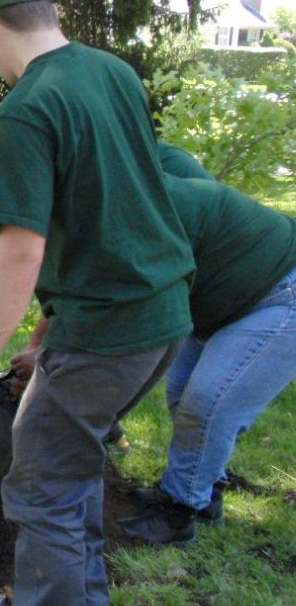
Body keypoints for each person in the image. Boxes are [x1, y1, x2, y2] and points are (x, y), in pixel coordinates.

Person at [0, 3, 195, 605]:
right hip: (163, 314)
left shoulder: (25, 110)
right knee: (70, 470)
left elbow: (20, 257)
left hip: (104, 332)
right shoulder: (112, 71)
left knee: (42, 487)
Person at [113, 145, 296, 544]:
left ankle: (177, 514)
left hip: (280, 293)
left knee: (210, 403)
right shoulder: (118, 191)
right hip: (220, 301)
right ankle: (204, 494)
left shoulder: (165, 177)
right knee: (182, 394)